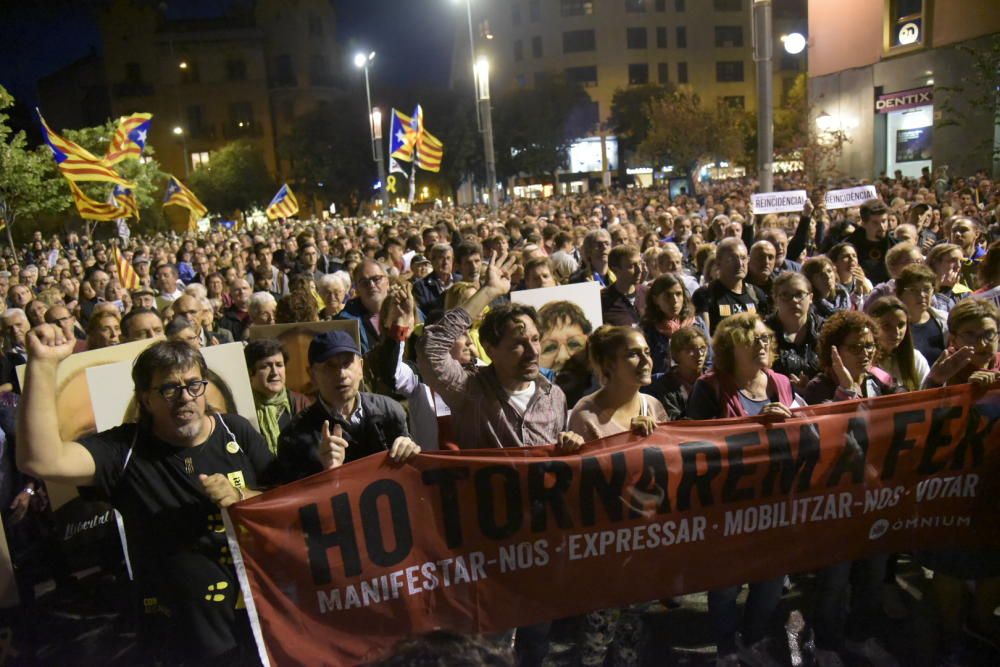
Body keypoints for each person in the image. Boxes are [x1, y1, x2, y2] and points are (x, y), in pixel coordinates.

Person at [17, 336, 274, 664]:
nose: (185, 398)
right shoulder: (124, 449)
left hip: (256, 612)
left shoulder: (235, 430)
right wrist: (42, 364)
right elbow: (40, 460)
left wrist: (240, 496)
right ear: (145, 400)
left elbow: (280, 500)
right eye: (169, 389)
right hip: (180, 633)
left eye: (194, 385)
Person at [687, 312, 797, 665]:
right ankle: (727, 649)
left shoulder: (780, 382)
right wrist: (756, 426)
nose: (762, 343)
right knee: (726, 584)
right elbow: (695, 446)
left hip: (774, 498)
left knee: (770, 578)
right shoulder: (710, 387)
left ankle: (753, 638)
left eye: (765, 337)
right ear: (728, 349)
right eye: (752, 339)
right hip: (728, 502)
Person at [562, 326, 667, 667]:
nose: (645, 360)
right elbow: (578, 488)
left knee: (631, 635)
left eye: (647, 351)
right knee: (597, 640)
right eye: (633, 354)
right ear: (608, 364)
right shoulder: (586, 415)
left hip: (644, 546)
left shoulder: (653, 406)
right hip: (604, 552)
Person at [801, 311, 900, 667]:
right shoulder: (818, 387)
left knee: (873, 573)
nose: (865, 354)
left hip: (876, 496)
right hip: (837, 500)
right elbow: (827, 437)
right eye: (856, 347)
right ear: (834, 350)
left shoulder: (882, 381)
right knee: (836, 577)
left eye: (870, 346)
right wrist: (848, 390)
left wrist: (937, 379)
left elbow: (910, 413)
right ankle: (826, 643)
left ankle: (860, 636)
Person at [418, 251, 584, 452]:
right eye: (518, 344)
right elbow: (431, 347)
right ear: (490, 349)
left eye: (535, 340)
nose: (533, 352)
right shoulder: (468, 390)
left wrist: (569, 445)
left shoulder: (554, 396)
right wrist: (489, 291)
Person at [276, 330, 419, 482]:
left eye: (347, 363)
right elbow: (295, 498)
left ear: (361, 368)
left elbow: (410, 480)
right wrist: (325, 473)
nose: (342, 374)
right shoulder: (294, 436)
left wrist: (411, 452)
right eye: (330, 366)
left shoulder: (390, 411)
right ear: (312, 375)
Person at [244, 339, 310, 455]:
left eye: (279, 365)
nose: (275, 372)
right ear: (250, 372)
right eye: (266, 366)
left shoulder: (301, 403)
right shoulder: (242, 408)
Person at [692, 238, 769, 334]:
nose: (740, 264)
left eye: (743, 258)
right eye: (732, 259)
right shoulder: (705, 294)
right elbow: (704, 336)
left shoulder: (757, 294)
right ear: (719, 263)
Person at [641, 274, 709, 375]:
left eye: (678, 294)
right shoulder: (648, 329)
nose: (674, 301)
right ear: (655, 300)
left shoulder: (697, 324)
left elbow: (709, 360)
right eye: (667, 295)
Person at [766, 272, 823, 390]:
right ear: (775, 299)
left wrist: (813, 387)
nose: (793, 300)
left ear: (810, 298)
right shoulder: (763, 332)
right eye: (785, 295)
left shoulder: (824, 330)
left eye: (799, 294)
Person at [642, 325, 709, 420]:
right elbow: (674, 420)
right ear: (676, 354)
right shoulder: (665, 385)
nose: (699, 354)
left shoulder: (713, 380)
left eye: (703, 348)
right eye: (690, 349)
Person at [866, 296, 930, 391]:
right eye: (887, 326)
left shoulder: (916, 359)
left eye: (901, 325)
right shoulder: (863, 359)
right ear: (872, 326)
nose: (896, 333)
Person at [895, 264, 948, 365]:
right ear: (900, 294)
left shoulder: (945, 321)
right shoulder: (893, 325)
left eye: (926, 289)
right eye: (913, 290)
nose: (921, 295)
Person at [336, 259, 390, 354]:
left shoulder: (406, 309)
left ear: (387, 282)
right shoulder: (345, 322)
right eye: (364, 282)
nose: (371, 285)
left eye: (376, 279)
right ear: (356, 288)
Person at [845, 199, 894, 285]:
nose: (882, 227)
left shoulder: (895, 246)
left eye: (884, 221)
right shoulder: (850, 246)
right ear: (864, 223)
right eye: (875, 223)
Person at [414, 243, 458, 323]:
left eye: (448, 258)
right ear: (432, 261)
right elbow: (422, 314)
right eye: (441, 258)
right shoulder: (421, 286)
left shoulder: (461, 281)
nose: (445, 262)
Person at [600, 245, 643, 327]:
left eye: (640, 263)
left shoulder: (648, 294)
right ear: (615, 269)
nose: (639, 270)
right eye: (632, 266)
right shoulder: (602, 301)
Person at [827, 243, 871, 309]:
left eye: (854, 256)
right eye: (846, 256)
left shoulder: (865, 282)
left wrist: (864, 290)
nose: (852, 259)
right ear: (834, 262)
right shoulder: (829, 285)